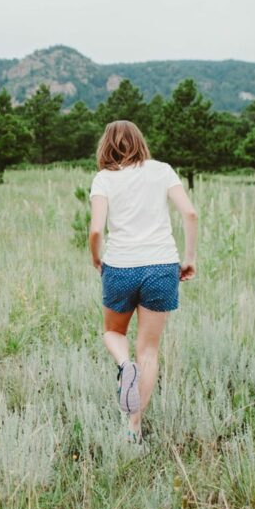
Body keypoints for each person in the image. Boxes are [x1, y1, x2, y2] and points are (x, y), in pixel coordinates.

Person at [88, 120, 198, 444]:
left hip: (120, 266)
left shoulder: (104, 179)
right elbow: (190, 213)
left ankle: (125, 366)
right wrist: (189, 257)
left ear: (106, 146)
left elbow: (96, 230)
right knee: (148, 350)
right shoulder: (162, 170)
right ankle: (133, 428)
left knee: (112, 332)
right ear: (140, 142)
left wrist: (98, 258)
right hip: (162, 265)